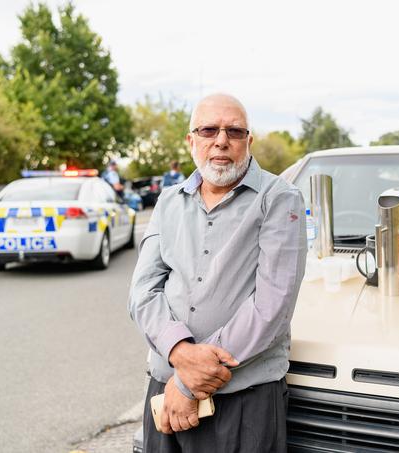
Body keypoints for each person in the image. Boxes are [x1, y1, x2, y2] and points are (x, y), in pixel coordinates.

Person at [128, 93, 307, 452]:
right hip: (164, 394)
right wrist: (179, 353)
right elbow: (143, 292)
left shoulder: (280, 199)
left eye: (234, 131)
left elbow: (271, 308)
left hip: (243, 402)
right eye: (209, 129)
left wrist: (187, 384)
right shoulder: (168, 201)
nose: (221, 140)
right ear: (191, 141)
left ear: (249, 141)